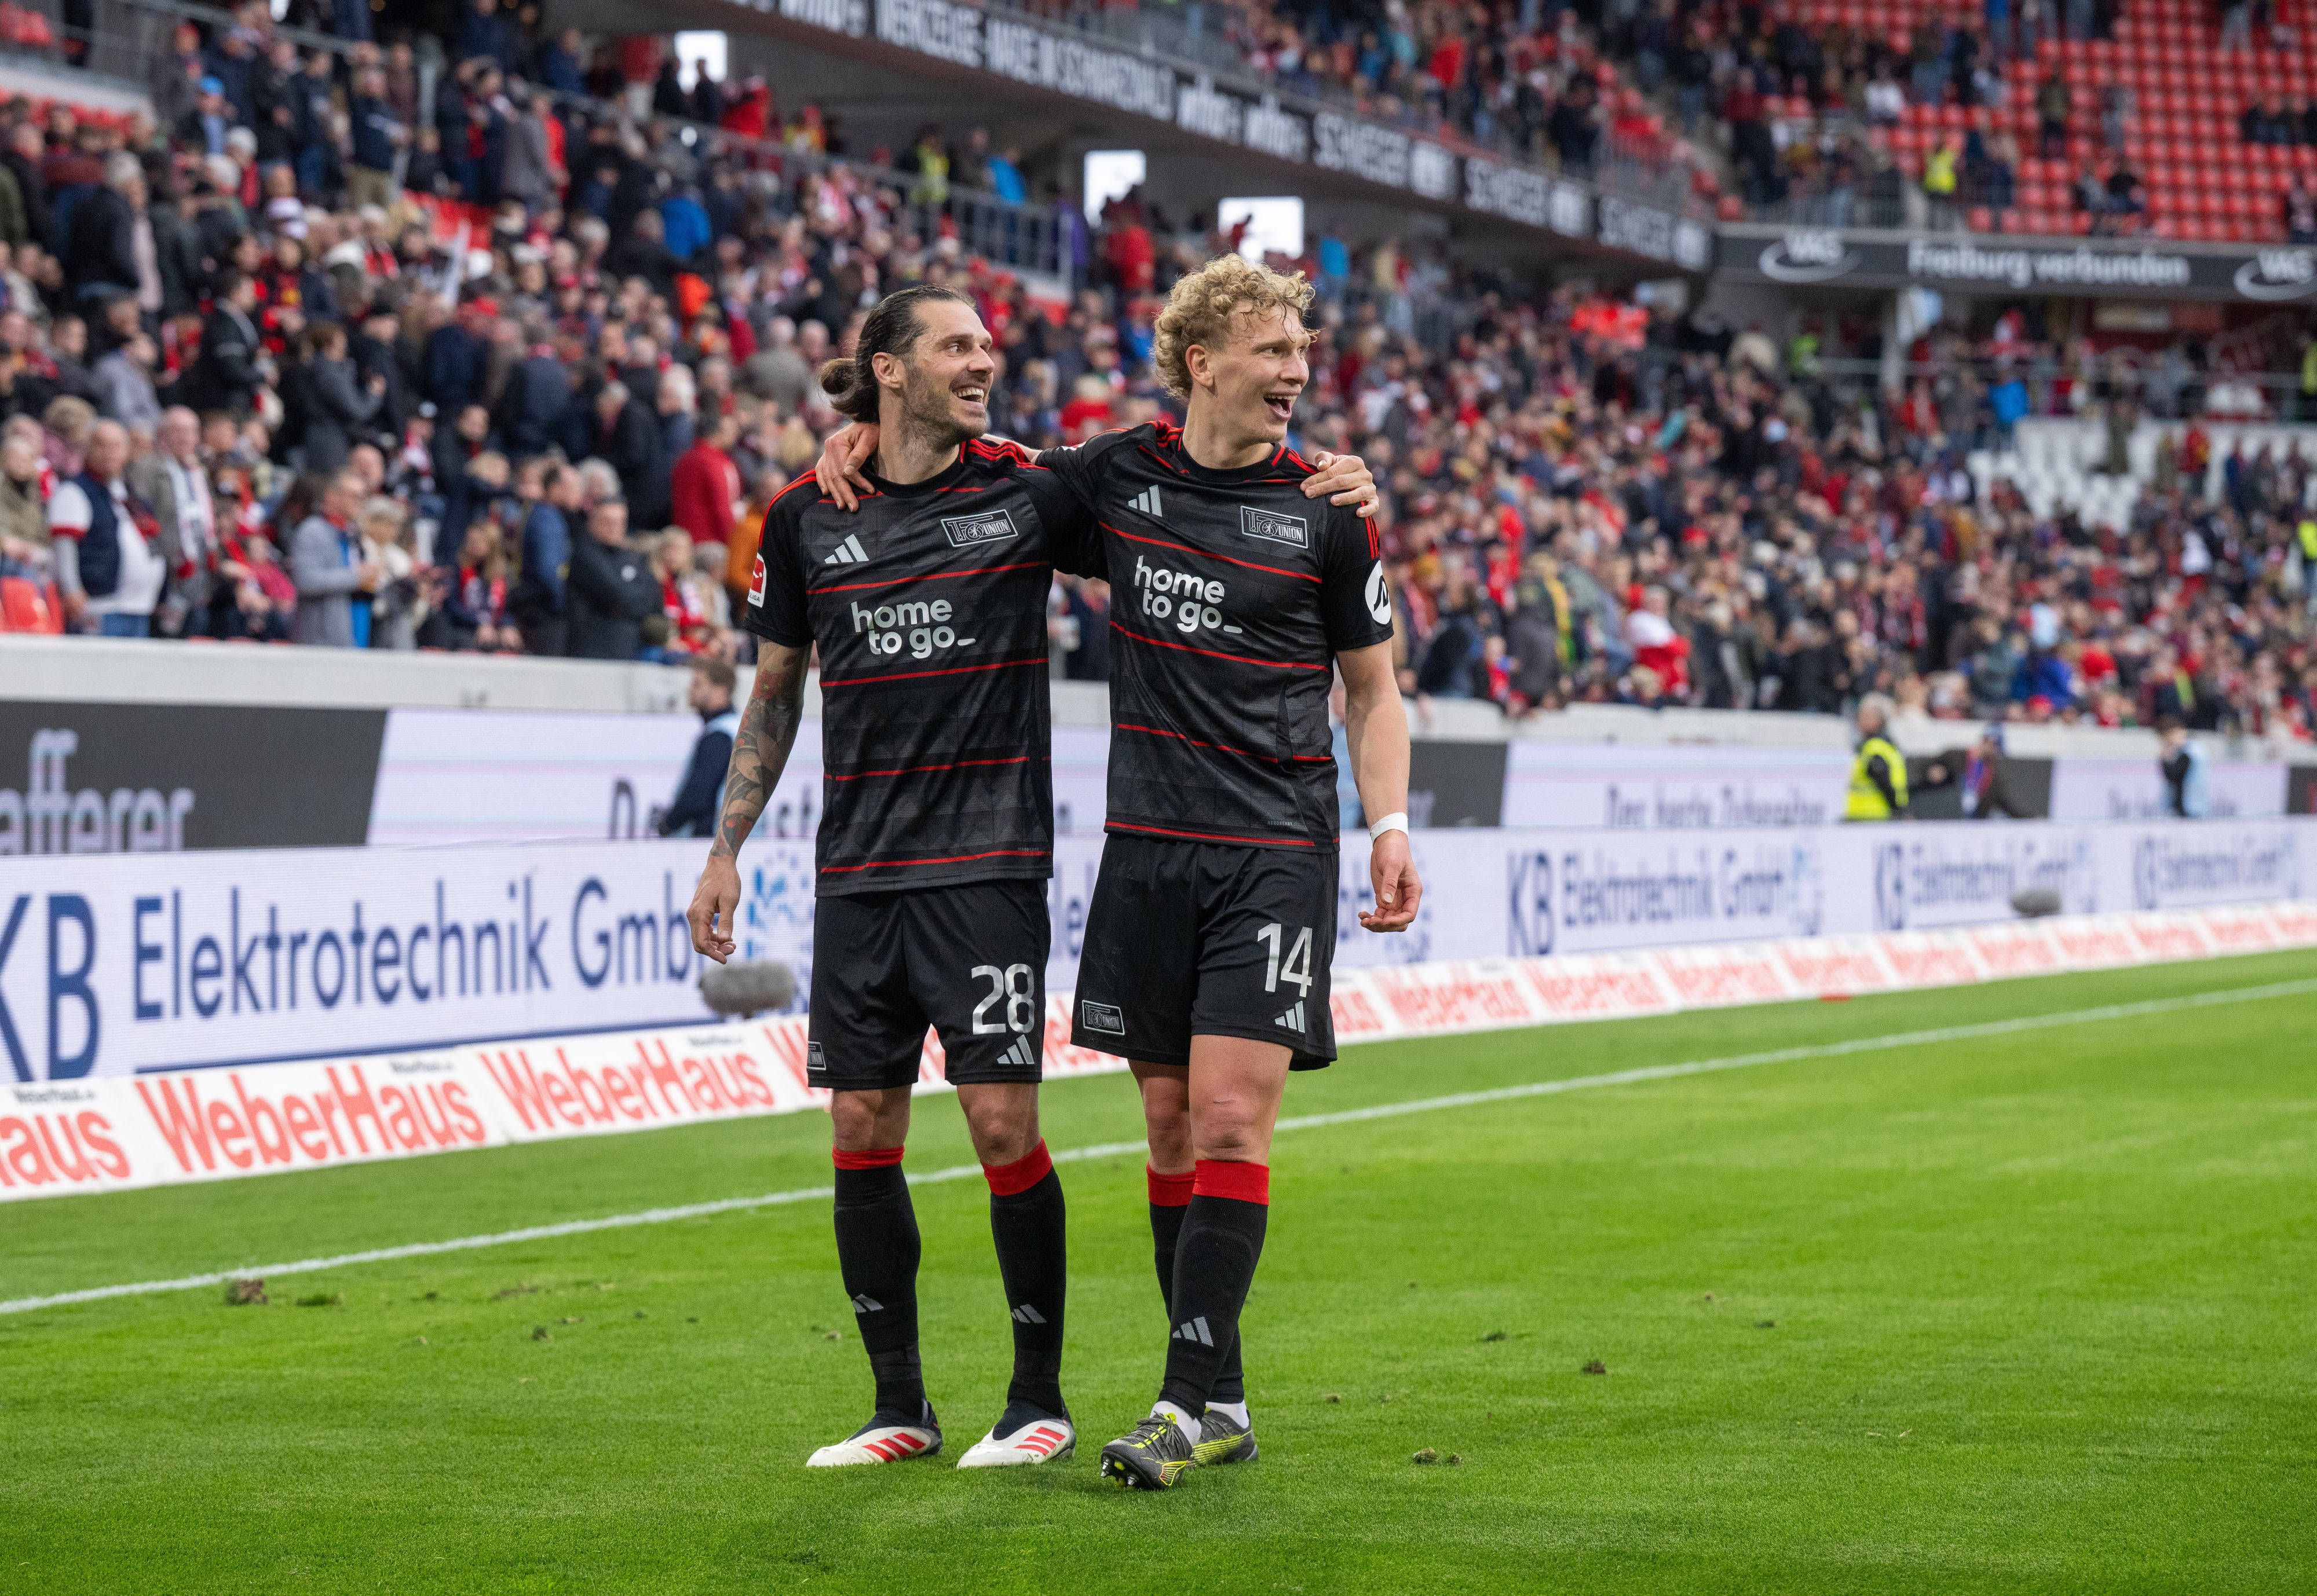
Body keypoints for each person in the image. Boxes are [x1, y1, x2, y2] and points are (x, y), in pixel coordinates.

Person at [710, 281, 1379, 1473]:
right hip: (977, 862)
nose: (983, 360)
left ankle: (1107, 1400)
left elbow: (1343, 650)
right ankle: (920, 1406)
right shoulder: (846, 508)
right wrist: (725, 847)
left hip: (1101, 858)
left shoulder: (1101, 495)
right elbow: (775, 683)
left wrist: (1387, 821)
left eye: (986, 341)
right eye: (954, 345)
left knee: (1110, 1118)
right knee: (1093, 1123)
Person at [49, 418, 163, 636]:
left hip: (140, 606)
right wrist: (71, 588)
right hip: (100, 606)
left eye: (116, 446)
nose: (109, 452)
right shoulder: (74, 491)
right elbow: (64, 545)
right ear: (87, 449)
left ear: (127, 452)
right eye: (101, 445)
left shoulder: (129, 494)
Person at [288, 468, 382, 647]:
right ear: (332, 496)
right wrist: (356, 577)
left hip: (349, 635)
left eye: (362, 497)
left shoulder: (351, 534)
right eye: (353, 496)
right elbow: (306, 580)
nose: (359, 503)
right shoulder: (312, 531)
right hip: (319, 640)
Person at [563, 496, 659, 660]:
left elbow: (653, 598)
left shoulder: (633, 558)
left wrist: (627, 603)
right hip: (591, 653)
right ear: (592, 522)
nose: (614, 528)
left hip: (628, 652)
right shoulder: (584, 555)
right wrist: (632, 601)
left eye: (620, 522)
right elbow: (617, 593)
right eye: (607, 522)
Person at [657, 659, 739, 837]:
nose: (690, 690)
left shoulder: (720, 735)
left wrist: (669, 824)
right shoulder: (737, 729)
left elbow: (698, 795)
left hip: (712, 840)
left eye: (698, 684)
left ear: (721, 691)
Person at [1845, 692, 1910, 820]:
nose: (1860, 720)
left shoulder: (1874, 748)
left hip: (1871, 817)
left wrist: (1898, 810)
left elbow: (1884, 782)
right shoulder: (1888, 746)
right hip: (1878, 816)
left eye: (1866, 716)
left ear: (1880, 720)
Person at [2157, 716, 2209, 818]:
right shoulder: (2197, 749)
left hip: (2189, 805)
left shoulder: (2189, 753)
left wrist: (2165, 760)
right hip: (2197, 804)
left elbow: (2173, 776)